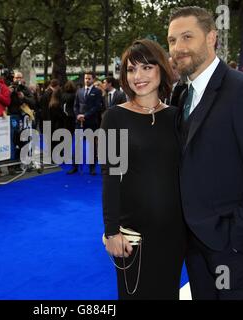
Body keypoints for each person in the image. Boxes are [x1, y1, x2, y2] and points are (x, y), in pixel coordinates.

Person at [167, 6, 243, 300]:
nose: (178, 48)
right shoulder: (181, 94)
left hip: (230, 248)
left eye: (187, 37)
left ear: (211, 38)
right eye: (171, 40)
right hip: (193, 245)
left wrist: (237, 237)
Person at [101, 39, 185, 300]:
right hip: (133, 236)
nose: (138, 76)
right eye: (130, 69)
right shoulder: (114, 117)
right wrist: (111, 231)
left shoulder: (176, 116)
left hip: (174, 234)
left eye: (147, 67)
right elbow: (111, 177)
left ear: (162, 68)